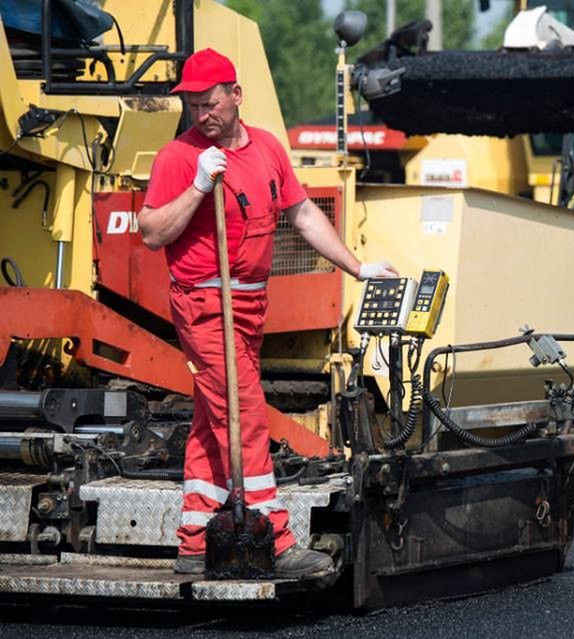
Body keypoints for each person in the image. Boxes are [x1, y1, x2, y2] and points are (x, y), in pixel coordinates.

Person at [137, 48, 397, 577]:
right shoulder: (180, 158)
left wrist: (357, 267)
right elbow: (151, 232)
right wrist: (198, 187)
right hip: (206, 303)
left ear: (236, 96)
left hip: (250, 303)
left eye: (209, 103)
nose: (200, 114)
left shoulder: (269, 150)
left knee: (216, 420)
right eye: (191, 105)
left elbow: (302, 214)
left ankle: (193, 540)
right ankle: (275, 539)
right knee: (243, 415)